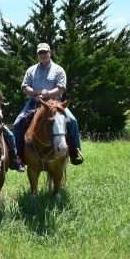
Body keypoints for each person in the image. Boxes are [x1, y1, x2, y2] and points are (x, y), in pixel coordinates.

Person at [12, 42, 84, 171]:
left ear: (50, 53)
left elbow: (61, 88)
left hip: (55, 104)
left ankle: (75, 152)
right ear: (37, 55)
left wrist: (48, 93)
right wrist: (35, 94)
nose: (43, 55)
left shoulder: (58, 69)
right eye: (40, 53)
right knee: (17, 123)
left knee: (73, 121)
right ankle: (18, 157)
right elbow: (24, 86)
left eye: (45, 52)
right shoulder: (31, 70)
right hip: (34, 102)